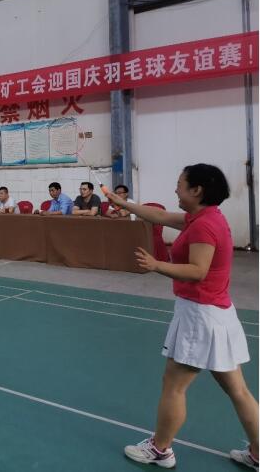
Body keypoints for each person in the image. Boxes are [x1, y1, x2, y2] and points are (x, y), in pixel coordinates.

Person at [109, 164, 258, 470]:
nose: (175, 189)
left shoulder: (204, 225)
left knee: (174, 385)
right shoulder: (204, 217)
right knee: (238, 390)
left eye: (180, 184)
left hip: (200, 317)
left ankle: (160, 449)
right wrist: (123, 203)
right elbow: (160, 216)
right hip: (218, 315)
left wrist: (156, 265)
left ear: (196, 190)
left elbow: (197, 271)